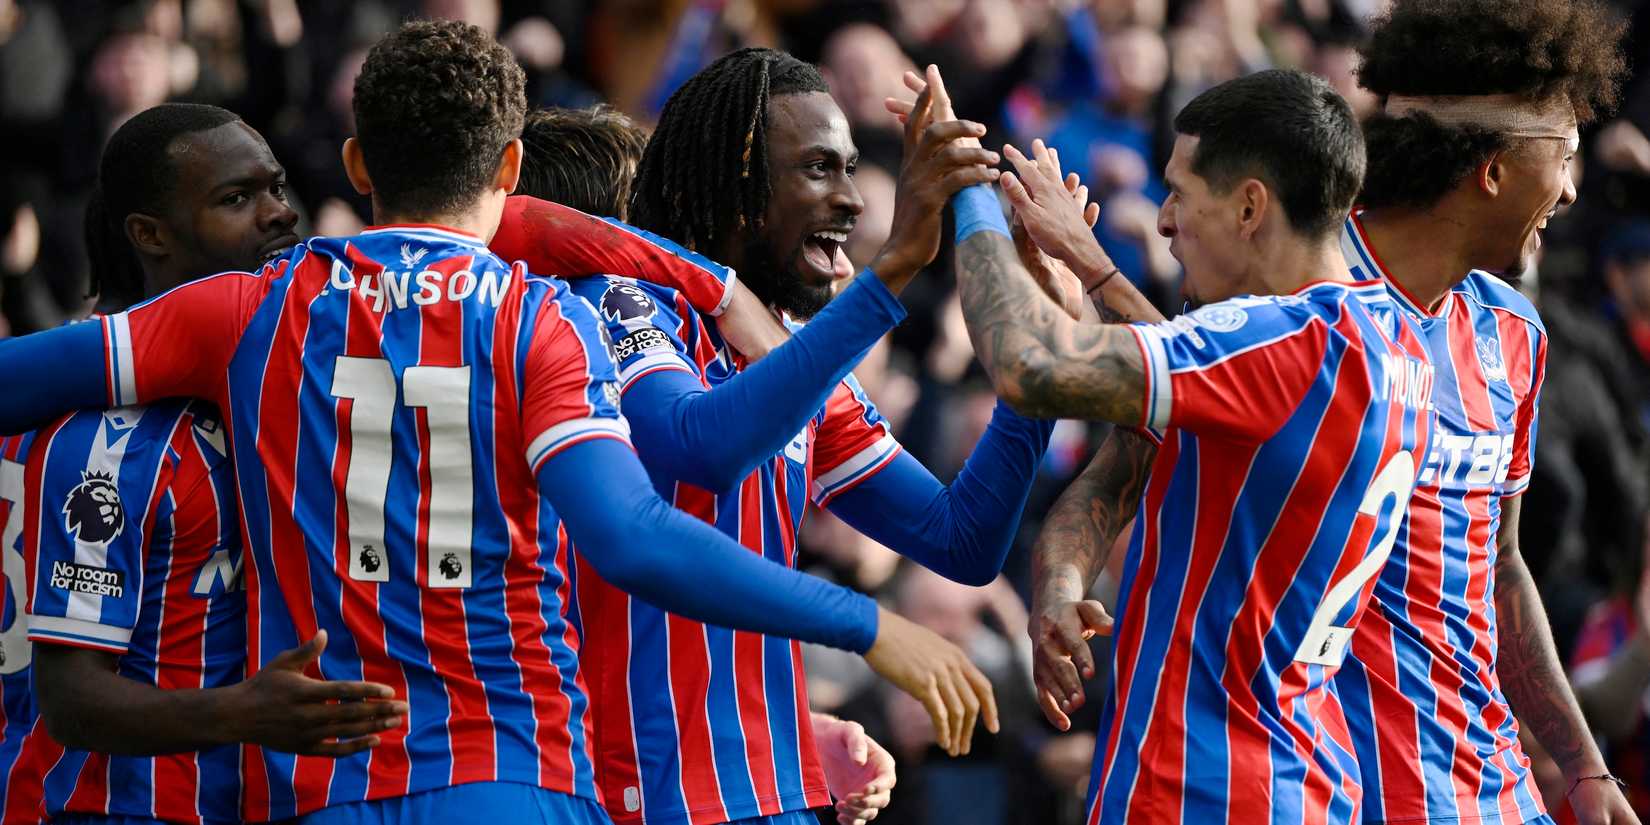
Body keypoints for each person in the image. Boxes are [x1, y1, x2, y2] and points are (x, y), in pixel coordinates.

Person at [0, 20, 996, 823]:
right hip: (507, 773)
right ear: (512, 166)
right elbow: (636, 536)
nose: (273, 212)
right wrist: (868, 624)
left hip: (314, 785)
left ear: (354, 162)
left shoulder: (249, 310)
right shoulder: (545, 319)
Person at [505, 49, 1050, 825]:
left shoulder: (792, 351)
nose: (853, 199)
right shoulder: (615, 312)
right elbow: (700, 445)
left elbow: (962, 539)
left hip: (777, 796)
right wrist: (890, 271)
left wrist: (1038, 374)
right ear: (739, 186)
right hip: (642, 797)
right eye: (819, 169)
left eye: (851, 168)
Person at [933, 65, 1436, 823]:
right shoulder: (1396, 345)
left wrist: (966, 188)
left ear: (1248, 206)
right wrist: (1062, 588)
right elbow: (1116, 476)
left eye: (1179, 193)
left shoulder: (1286, 342)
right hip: (1300, 778)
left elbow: (1027, 363)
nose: (1164, 221)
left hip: (1201, 786)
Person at [1, 103, 414, 825]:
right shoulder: (111, 437)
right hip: (109, 806)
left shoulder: (251, 385)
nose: (279, 214)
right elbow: (70, 698)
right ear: (150, 235)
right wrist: (245, 711)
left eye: (277, 188)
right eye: (237, 198)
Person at [507, 103, 899, 825]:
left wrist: (794, 730)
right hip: (600, 779)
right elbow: (683, 480)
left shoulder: (745, 346)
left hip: (745, 775)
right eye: (657, 217)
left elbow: (960, 535)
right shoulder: (591, 324)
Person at [1333, 1, 1638, 822]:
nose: (1571, 190)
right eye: (1563, 157)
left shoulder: (1516, 331)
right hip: (1341, 788)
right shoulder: (1307, 303)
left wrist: (1584, 765)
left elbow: (1499, 566)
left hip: (1491, 784)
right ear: (1493, 170)